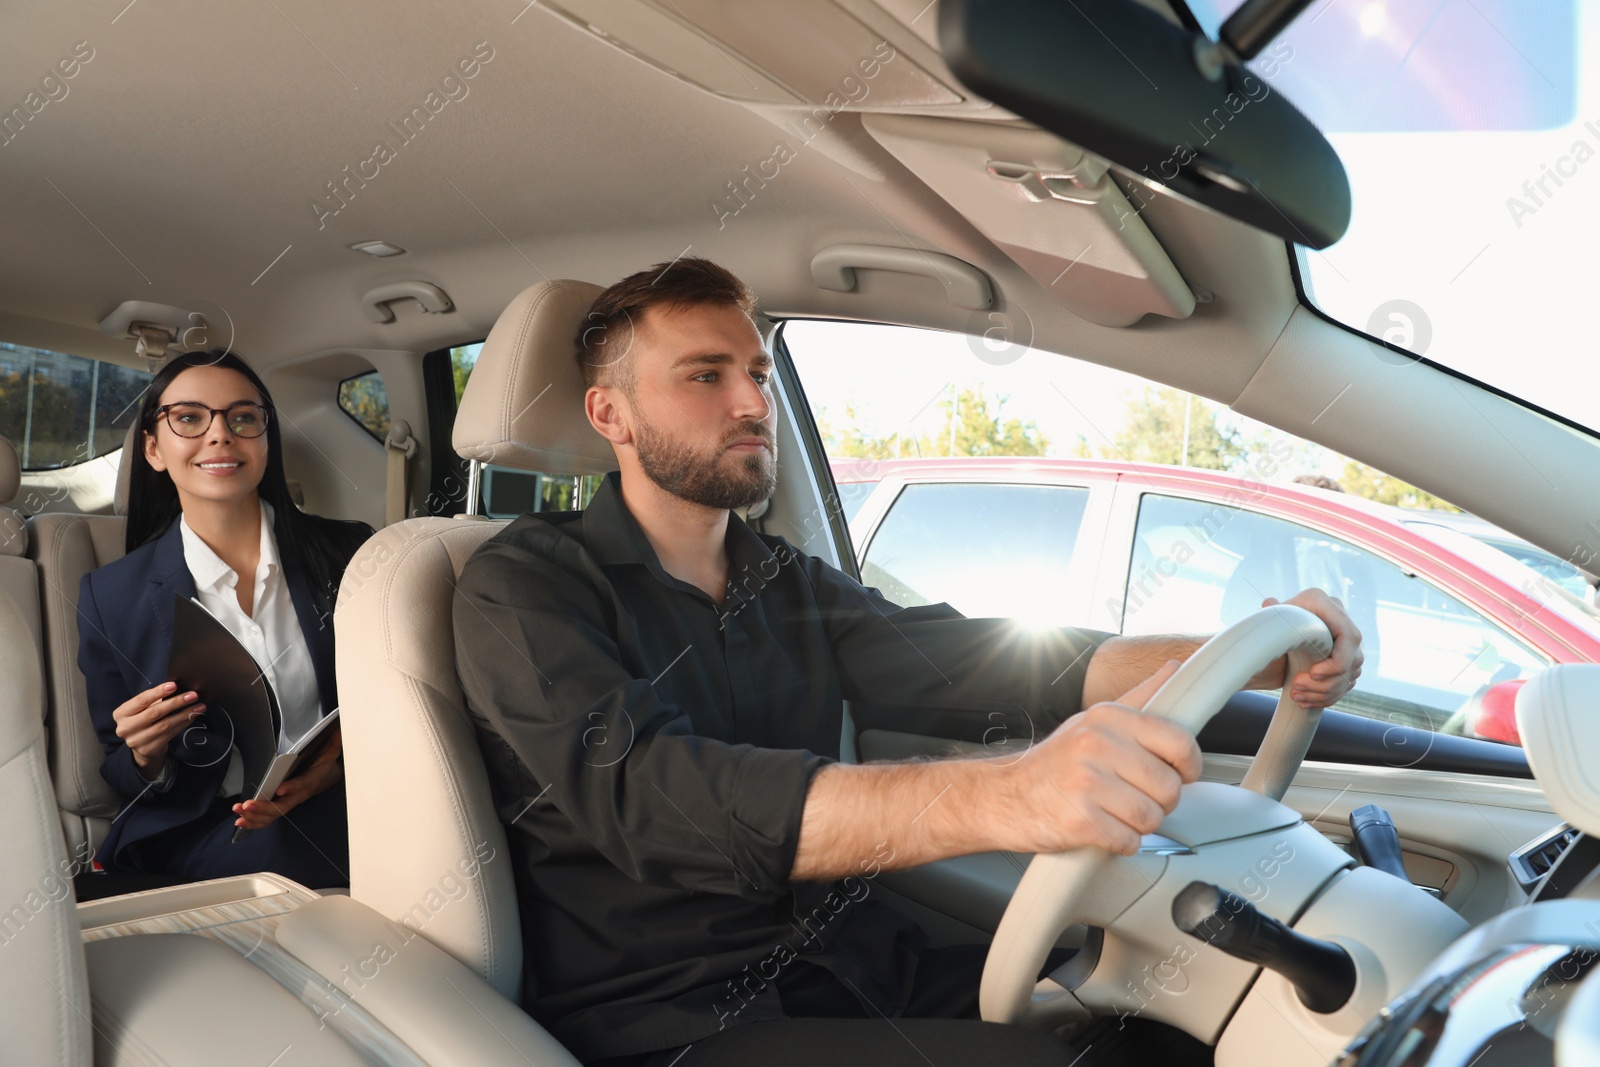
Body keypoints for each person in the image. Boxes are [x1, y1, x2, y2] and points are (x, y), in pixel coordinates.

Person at [452, 259, 1364, 1066]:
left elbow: (989, 664)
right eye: (705, 375)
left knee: (1168, 1015)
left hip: (858, 962)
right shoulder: (523, 587)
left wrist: (1243, 655)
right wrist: (1008, 795)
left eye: (758, 374)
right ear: (609, 412)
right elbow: (659, 799)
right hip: (675, 1017)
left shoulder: (783, 581)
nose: (750, 402)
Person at [78, 349, 372, 888]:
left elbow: (388, 695)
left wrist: (332, 768)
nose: (220, 434)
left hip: (342, 799)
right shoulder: (110, 595)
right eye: (189, 418)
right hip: (199, 826)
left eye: (242, 417)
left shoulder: (351, 551)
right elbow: (118, 769)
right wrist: (145, 753)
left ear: (265, 439)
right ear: (154, 448)